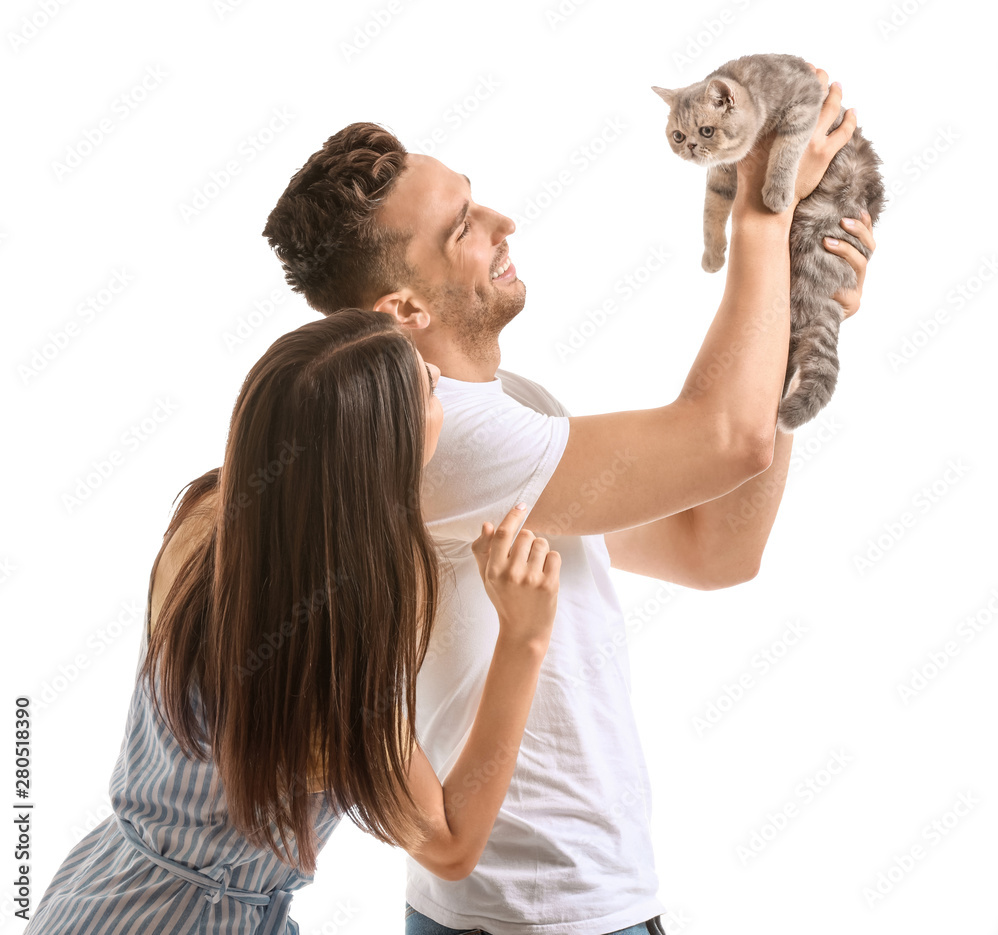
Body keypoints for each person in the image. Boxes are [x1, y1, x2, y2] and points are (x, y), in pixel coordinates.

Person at [254, 65, 878, 935]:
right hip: (539, 917)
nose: (502, 221)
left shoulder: (513, 406)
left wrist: (801, 335)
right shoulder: (447, 440)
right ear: (402, 308)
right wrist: (763, 210)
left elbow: (714, 548)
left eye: (474, 199)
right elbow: (724, 438)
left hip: (567, 905)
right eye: (462, 227)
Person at [24, 310, 562, 934]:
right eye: (429, 389)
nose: (439, 373)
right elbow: (449, 847)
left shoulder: (211, 517)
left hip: (94, 895)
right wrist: (524, 637)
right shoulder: (328, 662)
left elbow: (314, 430)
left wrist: (368, 344)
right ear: (384, 450)